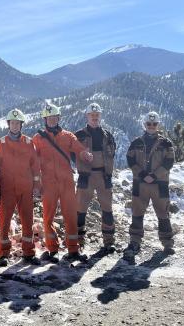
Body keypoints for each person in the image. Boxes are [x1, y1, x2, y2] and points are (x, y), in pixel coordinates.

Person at [33, 102, 93, 263]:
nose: (52, 120)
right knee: (47, 217)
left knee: (70, 216)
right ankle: (53, 250)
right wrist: (36, 184)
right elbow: (33, 162)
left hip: (66, 181)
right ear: (45, 119)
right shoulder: (38, 138)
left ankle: (73, 250)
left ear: (59, 118)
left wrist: (85, 155)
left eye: (55, 117)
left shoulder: (68, 136)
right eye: (49, 118)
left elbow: (79, 149)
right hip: (48, 182)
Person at [123, 111, 176, 264]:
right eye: (149, 124)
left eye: (154, 124)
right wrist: (142, 174)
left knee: (163, 214)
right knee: (137, 213)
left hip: (160, 185)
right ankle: (134, 241)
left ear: (158, 125)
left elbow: (169, 163)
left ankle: (167, 243)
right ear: (144, 125)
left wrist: (154, 175)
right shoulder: (136, 142)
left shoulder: (166, 143)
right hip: (140, 185)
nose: (151, 126)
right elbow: (130, 160)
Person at [0, 109, 42, 266]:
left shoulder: (28, 143)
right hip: (7, 189)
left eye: (17, 123)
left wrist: (36, 186)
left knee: (27, 221)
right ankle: (3, 254)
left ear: (21, 125)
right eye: (12, 123)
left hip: (26, 189)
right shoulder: (1, 143)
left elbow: (36, 166)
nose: (15, 125)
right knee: (5, 222)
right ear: (8, 124)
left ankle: (29, 253)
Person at [74, 102, 117, 254]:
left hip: (103, 176)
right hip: (86, 176)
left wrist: (109, 173)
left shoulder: (108, 135)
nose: (94, 118)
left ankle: (109, 242)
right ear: (87, 116)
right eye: (92, 115)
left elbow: (112, 153)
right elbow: (72, 153)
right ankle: (78, 242)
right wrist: (81, 159)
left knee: (107, 209)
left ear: (100, 116)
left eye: (97, 115)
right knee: (80, 210)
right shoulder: (79, 135)